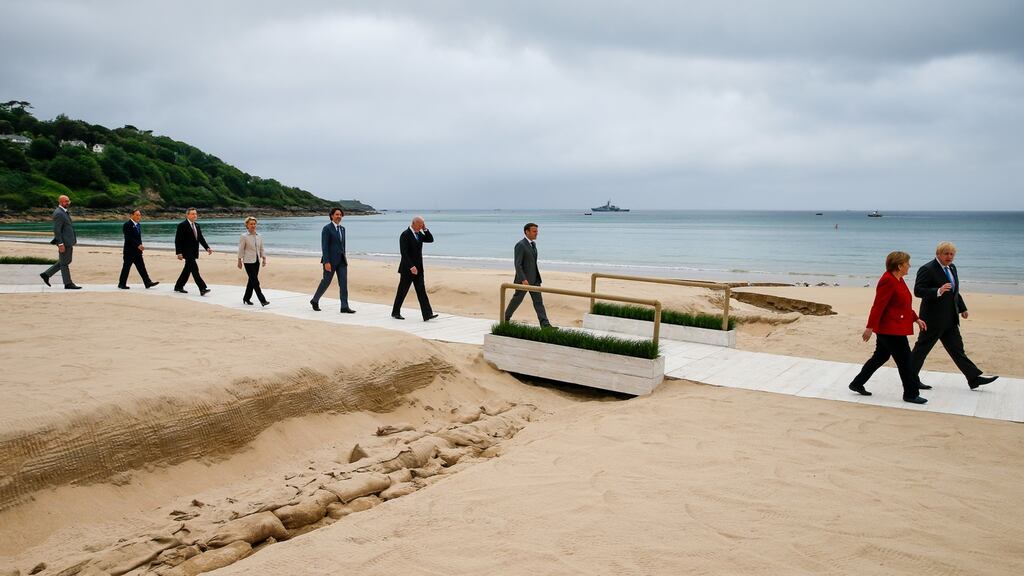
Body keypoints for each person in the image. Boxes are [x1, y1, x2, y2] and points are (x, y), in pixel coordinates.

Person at [911, 241, 998, 390]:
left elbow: (954, 291)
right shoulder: (927, 269)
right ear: (938, 254)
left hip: (950, 318)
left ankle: (973, 378)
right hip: (932, 319)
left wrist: (962, 308)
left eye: (952, 254)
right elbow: (918, 291)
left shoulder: (952, 268)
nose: (949, 257)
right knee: (922, 350)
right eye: (946, 254)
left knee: (957, 349)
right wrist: (937, 291)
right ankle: (910, 379)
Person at [848, 251, 928, 404]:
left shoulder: (899, 279)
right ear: (899, 266)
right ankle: (911, 394)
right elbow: (878, 306)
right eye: (907, 263)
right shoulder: (888, 281)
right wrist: (869, 327)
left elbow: (903, 306)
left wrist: (916, 318)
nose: (909, 266)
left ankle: (857, 383)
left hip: (893, 327)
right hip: (890, 329)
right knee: (906, 361)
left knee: (881, 356)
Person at [503, 222, 551, 328]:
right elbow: (517, 264)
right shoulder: (520, 245)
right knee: (517, 300)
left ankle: (545, 325)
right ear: (527, 232)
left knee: (538, 302)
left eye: (537, 231)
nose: (536, 233)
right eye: (534, 231)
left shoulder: (533, 244)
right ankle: (505, 318)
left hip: (535, 280)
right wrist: (523, 279)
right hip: (523, 281)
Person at [391, 216, 438, 321]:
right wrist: (411, 266)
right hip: (407, 268)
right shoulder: (405, 234)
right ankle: (395, 312)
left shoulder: (420, 234)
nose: (421, 226)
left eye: (422, 225)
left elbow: (430, 239)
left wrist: (425, 229)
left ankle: (427, 314)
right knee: (402, 291)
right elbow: (404, 253)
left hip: (419, 268)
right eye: (420, 225)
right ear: (414, 223)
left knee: (421, 291)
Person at [310, 207, 355, 313]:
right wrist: (326, 262)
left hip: (342, 261)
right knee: (326, 282)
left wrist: (344, 257)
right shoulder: (327, 228)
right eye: (336, 214)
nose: (339, 216)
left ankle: (344, 306)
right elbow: (324, 246)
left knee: (343, 284)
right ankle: (315, 300)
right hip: (330, 261)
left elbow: (342, 246)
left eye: (340, 215)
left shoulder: (343, 229)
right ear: (331, 216)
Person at [40, 195, 81, 289]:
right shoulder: (59, 213)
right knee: (64, 264)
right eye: (66, 201)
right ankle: (68, 284)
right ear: (61, 202)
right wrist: (60, 244)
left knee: (66, 261)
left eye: (68, 201)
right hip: (64, 242)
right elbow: (57, 230)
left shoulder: (64, 212)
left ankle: (46, 274)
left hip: (68, 242)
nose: (68, 203)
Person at [173, 207, 213, 295]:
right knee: (195, 270)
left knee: (187, 270)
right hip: (186, 252)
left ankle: (178, 286)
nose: (195, 215)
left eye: (195, 214)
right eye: (193, 214)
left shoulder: (197, 225)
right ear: (187, 215)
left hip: (194, 251)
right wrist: (179, 253)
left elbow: (201, 238)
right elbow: (178, 240)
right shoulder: (182, 225)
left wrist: (207, 248)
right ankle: (202, 288)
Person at [117, 209, 158, 289]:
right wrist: (138, 245)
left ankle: (147, 282)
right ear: (132, 215)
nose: (138, 217)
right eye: (137, 215)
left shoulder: (138, 225)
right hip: (129, 251)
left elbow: (138, 238)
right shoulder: (127, 225)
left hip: (137, 252)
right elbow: (128, 238)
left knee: (142, 267)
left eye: (139, 215)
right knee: (126, 268)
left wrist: (140, 246)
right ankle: (121, 284)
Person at [237, 216, 268, 306]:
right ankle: (262, 300)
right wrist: (239, 260)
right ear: (247, 225)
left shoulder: (259, 236)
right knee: (255, 281)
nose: (253, 225)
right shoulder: (244, 236)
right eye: (251, 224)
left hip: (257, 261)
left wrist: (264, 258)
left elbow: (261, 248)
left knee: (251, 281)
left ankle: (246, 298)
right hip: (248, 261)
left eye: (254, 224)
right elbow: (241, 249)